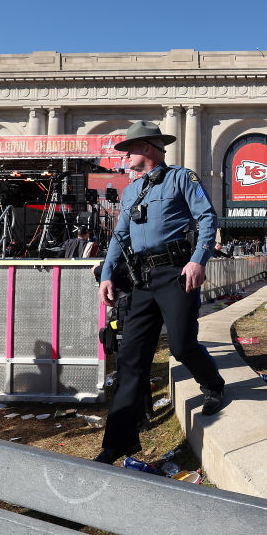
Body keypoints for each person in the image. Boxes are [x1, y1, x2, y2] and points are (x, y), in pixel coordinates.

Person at [94, 121, 226, 465]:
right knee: (130, 361)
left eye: (130, 150)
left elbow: (207, 219)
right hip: (140, 279)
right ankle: (116, 444)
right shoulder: (129, 191)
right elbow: (119, 237)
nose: (124, 157)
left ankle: (213, 384)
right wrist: (107, 275)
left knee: (182, 346)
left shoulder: (182, 178)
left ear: (149, 149)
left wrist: (199, 260)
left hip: (175, 272)